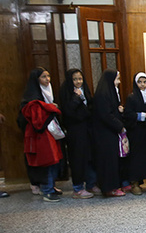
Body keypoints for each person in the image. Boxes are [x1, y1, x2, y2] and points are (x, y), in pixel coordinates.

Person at [19, 68, 63, 202]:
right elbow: (36, 121)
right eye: (44, 77)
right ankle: (47, 190)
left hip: (51, 133)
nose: (47, 79)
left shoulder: (48, 93)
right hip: (40, 135)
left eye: (48, 76)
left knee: (55, 161)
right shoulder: (31, 99)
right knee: (47, 161)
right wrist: (52, 109)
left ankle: (52, 186)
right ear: (36, 79)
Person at [58, 69, 97, 199]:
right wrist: (76, 98)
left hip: (87, 130)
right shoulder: (67, 92)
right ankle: (78, 188)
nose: (78, 82)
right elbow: (68, 112)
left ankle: (91, 184)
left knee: (90, 158)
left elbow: (90, 108)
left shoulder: (85, 90)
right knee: (78, 159)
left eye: (80, 79)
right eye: (75, 79)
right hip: (75, 132)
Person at [92, 69, 127, 198]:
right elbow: (105, 115)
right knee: (107, 161)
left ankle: (113, 185)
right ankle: (109, 188)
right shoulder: (103, 94)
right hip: (104, 134)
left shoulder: (110, 92)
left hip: (110, 132)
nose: (119, 82)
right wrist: (120, 126)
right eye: (117, 79)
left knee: (113, 160)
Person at [123, 72, 146, 195]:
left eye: (145, 82)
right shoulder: (132, 97)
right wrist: (142, 115)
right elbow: (128, 114)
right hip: (136, 132)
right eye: (140, 82)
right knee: (136, 158)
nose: (142, 85)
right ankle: (135, 183)